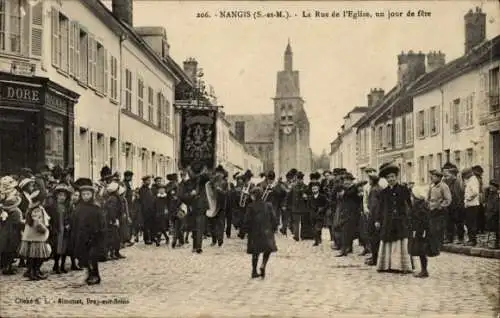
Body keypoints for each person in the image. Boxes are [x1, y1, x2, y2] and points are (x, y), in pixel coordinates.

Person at [375, 162, 412, 274]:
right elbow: (380, 208)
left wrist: (408, 218)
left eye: (392, 177)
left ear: (396, 177)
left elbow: (409, 205)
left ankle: (400, 265)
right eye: (388, 177)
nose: (391, 179)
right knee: (388, 241)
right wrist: (377, 220)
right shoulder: (384, 192)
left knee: (400, 241)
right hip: (388, 220)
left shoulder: (403, 190)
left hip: (400, 220)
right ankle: (387, 265)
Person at [70, 178, 106, 285]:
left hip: (94, 237)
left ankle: (95, 275)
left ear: (92, 195)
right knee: (84, 257)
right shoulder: (78, 208)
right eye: (84, 194)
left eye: (88, 194)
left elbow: (101, 223)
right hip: (82, 237)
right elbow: (75, 221)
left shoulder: (96, 207)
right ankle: (90, 273)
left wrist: (100, 234)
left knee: (92, 257)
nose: (86, 196)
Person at [241, 186, 278, 279]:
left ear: (254, 196)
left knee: (255, 252)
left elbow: (247, 220)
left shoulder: (250, 206)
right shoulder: (268, 205)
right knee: (268, 249)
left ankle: (254, 271)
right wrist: (273, 228)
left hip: (255, 232)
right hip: (267, 231)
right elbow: (274, 218)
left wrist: (243, 231)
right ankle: (263, 265)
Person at [18, 190, 52, 280]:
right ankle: (34, 272)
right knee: (37, 256)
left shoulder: (31, 208)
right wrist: (45, 230)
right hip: (36, 237)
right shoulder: (37, 210)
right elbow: (37, 224)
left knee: (32, 256)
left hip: (30, 236)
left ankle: (31, 271)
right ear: (40, 201)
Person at [409, 186, 441, 278]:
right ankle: (423, 270)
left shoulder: (420, 207)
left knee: (422, 251)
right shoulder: (419, 205)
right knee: (420, 251)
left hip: (421, 232)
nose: (411, 198)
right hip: (420, 231)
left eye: (413, 196)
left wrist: (419, 231)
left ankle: (424, 270)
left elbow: (422, 220)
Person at [47, 184, 73, 274]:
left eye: (64, 196)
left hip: (65, 229)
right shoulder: (52, 206)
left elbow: (70, 217)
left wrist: (68, 224)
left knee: (64, 248)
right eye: (60, 195)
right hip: (56, 229)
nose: (62, 197)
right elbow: (49, 218)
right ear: (57, 195)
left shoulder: (68, 207)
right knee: (56, 248)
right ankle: (56, 264)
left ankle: (62, 265)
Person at [0, 195, 24, 275]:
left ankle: (5, 266)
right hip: (13, 233)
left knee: (6, 250)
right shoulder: (17, 212)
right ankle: (8, 267)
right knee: (11, 250)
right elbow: (18, 223)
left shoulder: (5, 212)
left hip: (4, 233)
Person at [462, 168, 481, 246]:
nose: (464, 177)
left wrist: (468, 198)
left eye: (465, 175)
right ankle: (471, 239)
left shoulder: (473, 180)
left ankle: (473, 240)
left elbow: (475, 192)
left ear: (468, 174)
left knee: (472, 223)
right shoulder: (470, 180)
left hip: (472, 205)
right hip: (470, 205)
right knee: (469, 223)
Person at [308, 181, 328, 246]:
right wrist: (310, 211)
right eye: (313, 189)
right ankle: (318, 238)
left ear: (318, 188)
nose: (314, 190)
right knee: (314, 228)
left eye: (315, 189)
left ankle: (316, 241)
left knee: (317, 228)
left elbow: (327, 204)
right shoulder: (310, 197)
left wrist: (322, 208)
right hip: (313, 215)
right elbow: (308, 205)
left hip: (320, 215)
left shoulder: (323, 196)